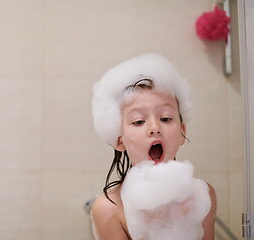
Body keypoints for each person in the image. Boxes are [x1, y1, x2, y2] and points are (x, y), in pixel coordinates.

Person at [90, 53, 216, 240]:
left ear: (182, 132)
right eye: (139, 121)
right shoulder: (109, 208)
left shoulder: (202, 196)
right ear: (120, 140)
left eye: (165, 118)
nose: (155, 128)